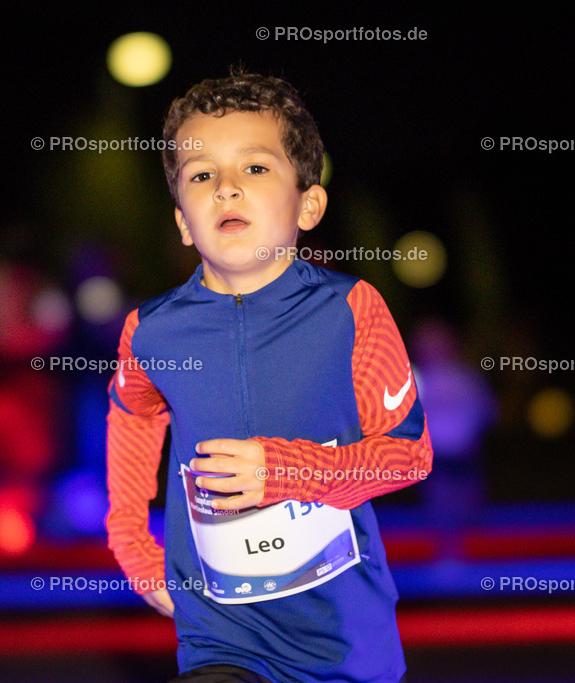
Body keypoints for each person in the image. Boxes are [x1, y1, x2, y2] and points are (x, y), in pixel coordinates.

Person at [105, 69, 433, 682]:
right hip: (220, 641)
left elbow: (407, 456)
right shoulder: (150, 331)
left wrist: (283, 471)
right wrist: (132, 543)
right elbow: (133, 416)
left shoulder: (351, 309)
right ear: (182, 219)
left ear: (308, 204)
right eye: (202, 175)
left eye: (254, 168)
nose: (227, 189)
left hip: (343, 643)